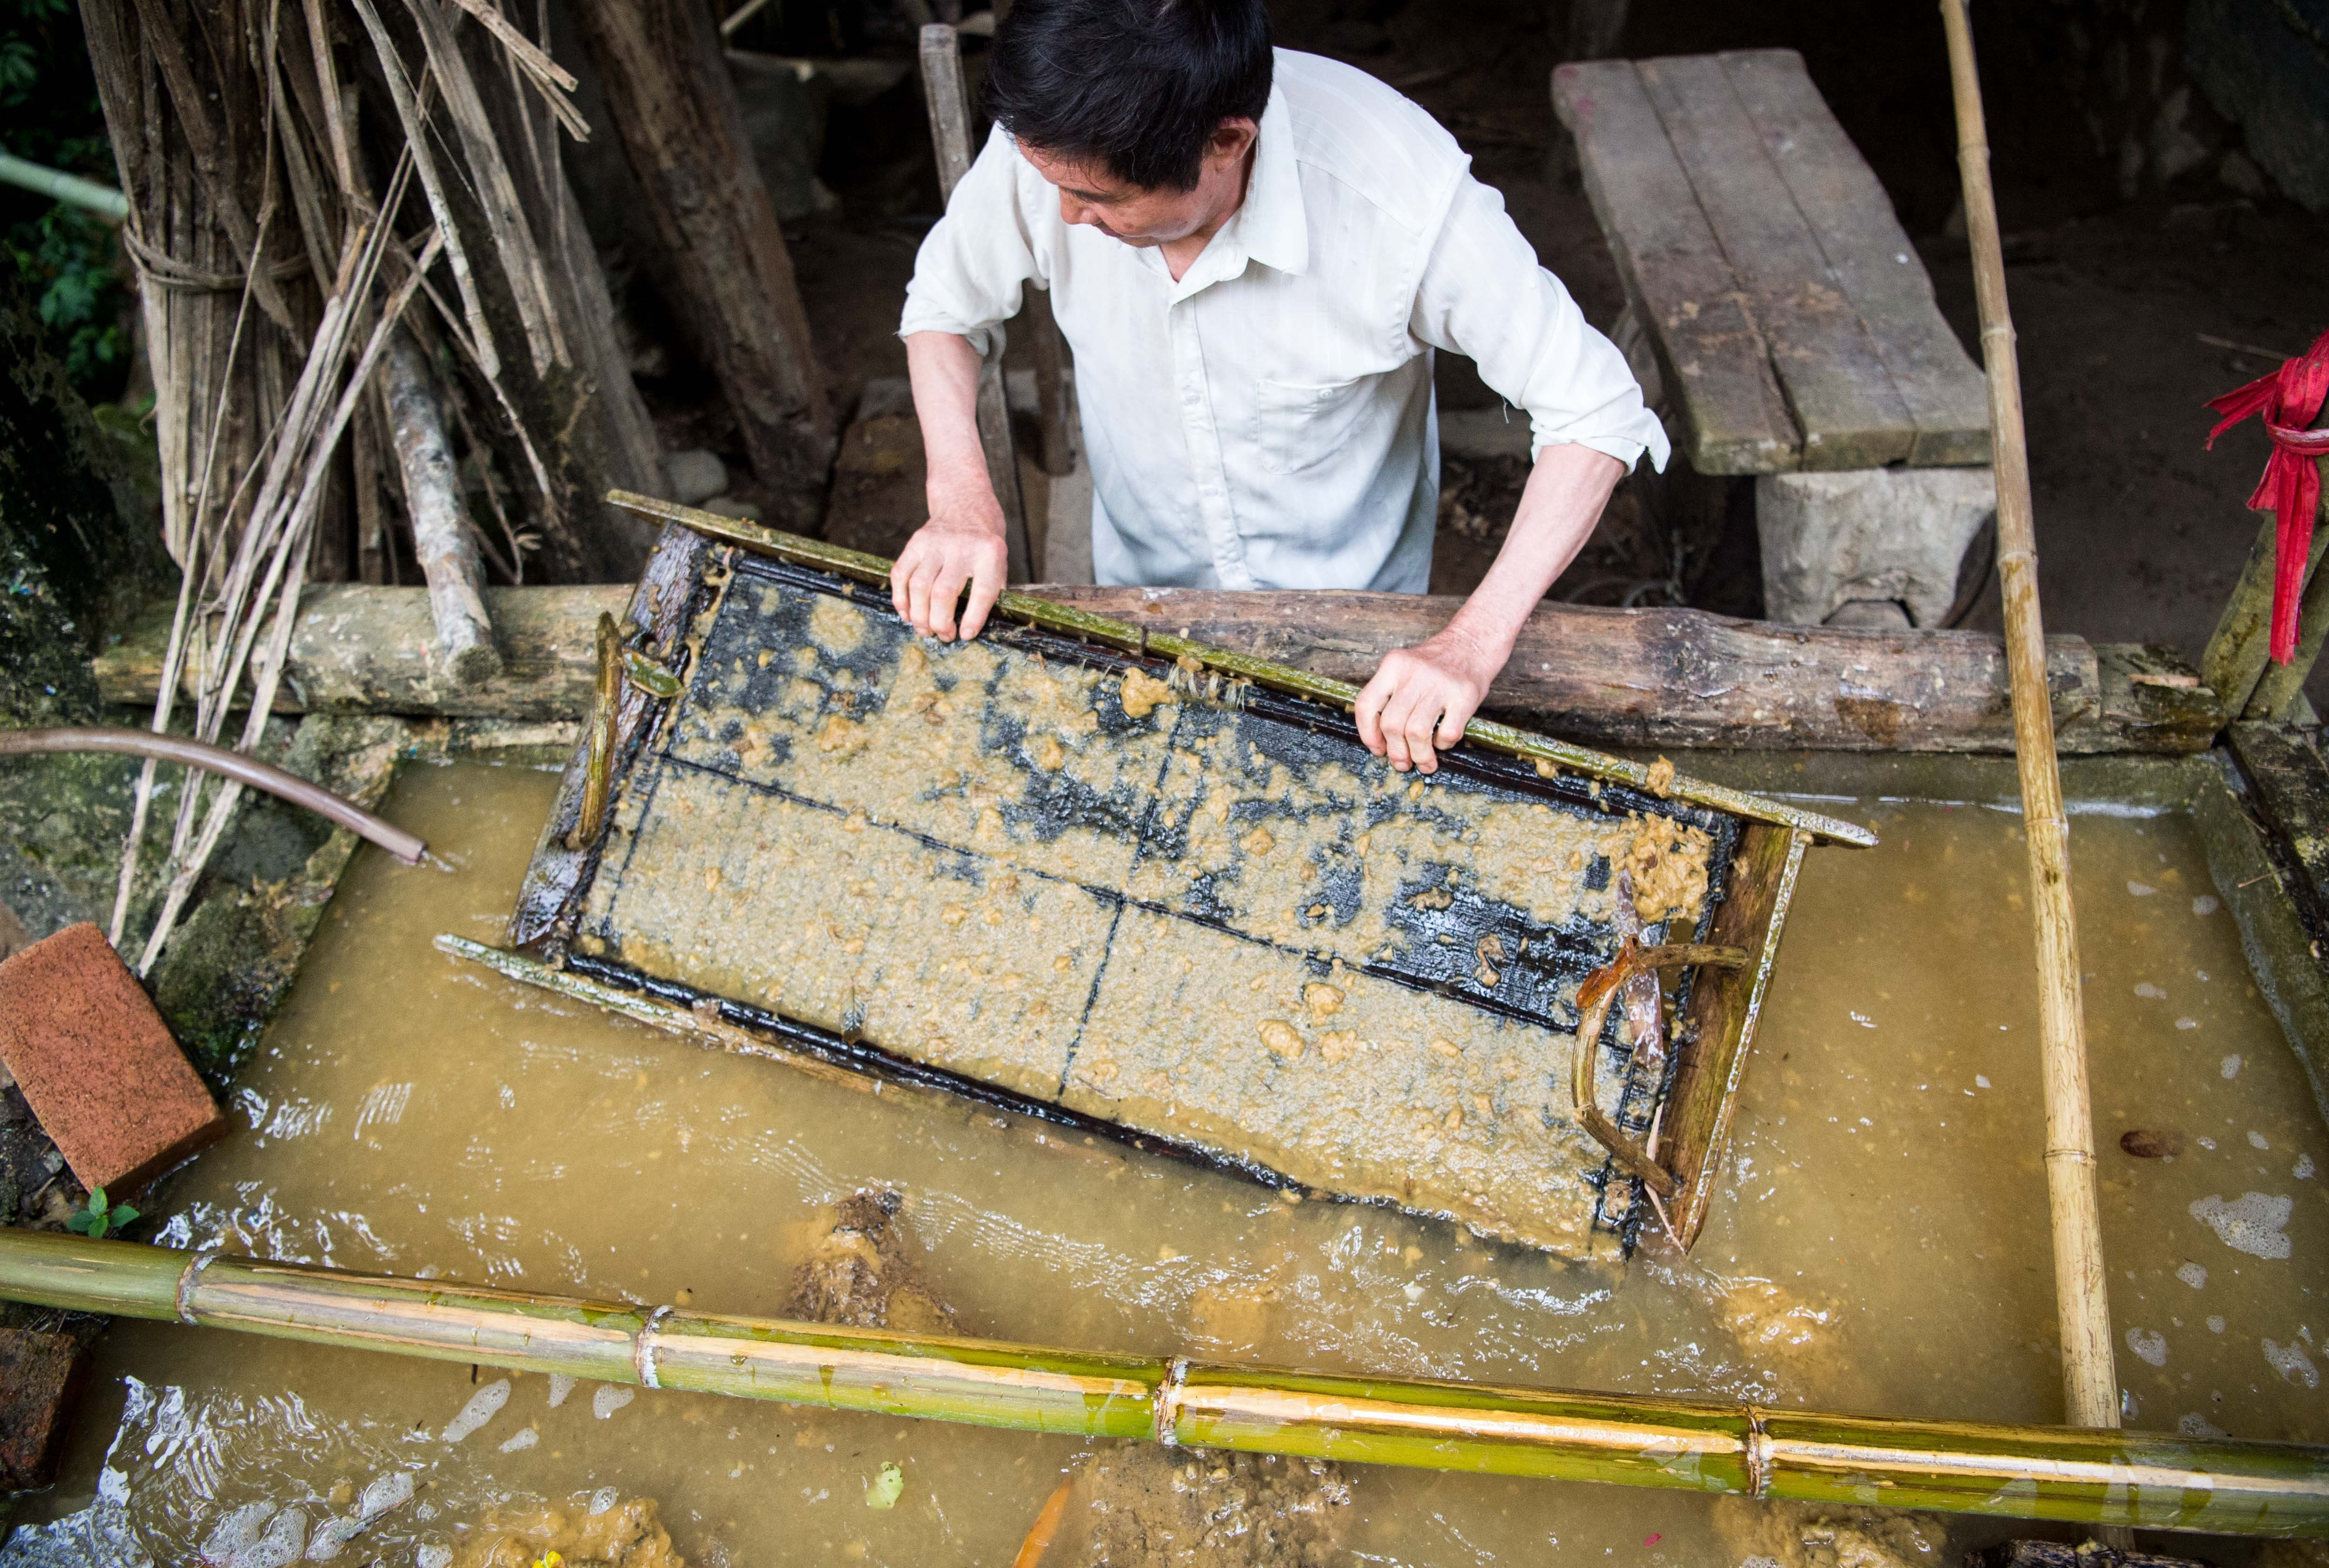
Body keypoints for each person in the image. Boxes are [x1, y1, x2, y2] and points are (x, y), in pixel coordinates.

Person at [891, 0, 1666, 773]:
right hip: (1141, 592)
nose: (1065, 214)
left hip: (1358, 626)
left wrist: (1469, 644)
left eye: (1104, 200)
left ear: (1228, 142)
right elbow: (946, 308)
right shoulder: (1062, 140)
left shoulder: (1399, 195)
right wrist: (960, 498)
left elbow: (1593, 410)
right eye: (1054, 184)